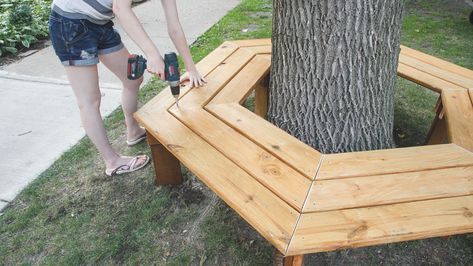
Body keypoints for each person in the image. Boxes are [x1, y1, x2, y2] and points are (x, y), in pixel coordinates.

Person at [48, 0, 206, 176]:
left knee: (132, 80)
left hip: (99, 22)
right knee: (90, 100)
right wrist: (152, 55)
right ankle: (112, 162)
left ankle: (133, 131)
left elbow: (174, 27)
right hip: (70, 22)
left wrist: (191, 69)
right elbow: (121, 8)